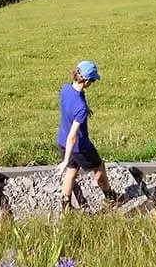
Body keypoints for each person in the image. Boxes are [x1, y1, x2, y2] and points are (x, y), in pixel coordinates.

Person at [56, 60, 118, 213]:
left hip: (61, 140)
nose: (94, 83)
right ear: (87, 81)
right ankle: (110, 197)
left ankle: (66, 208)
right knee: (99, 168)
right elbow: (73, 136)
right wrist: (64, 161)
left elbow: (73, 102)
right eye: (93, 80)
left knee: (72, 171)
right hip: (80, 146)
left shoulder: (66, 89)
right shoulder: (80, 108)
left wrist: (85, 108)